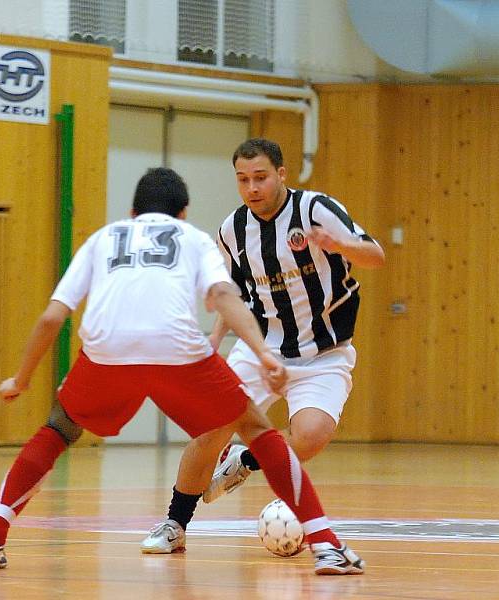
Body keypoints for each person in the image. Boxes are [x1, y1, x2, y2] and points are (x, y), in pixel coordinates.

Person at [0, 167, 365, 576]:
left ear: (132, 211)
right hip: (176, 348)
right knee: (258, 432)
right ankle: (327, 546)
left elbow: (52, 317)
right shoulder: (194, 238)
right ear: (184, 213)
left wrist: (22, 379)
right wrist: (263, 353)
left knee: (56, 431)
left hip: (107, 350)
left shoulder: (104, 238)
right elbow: (225, 295)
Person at [141, 139, 384, 552]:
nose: (252, 188)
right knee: (209, 430)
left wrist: (341, 246)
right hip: (261, 348)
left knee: (312, 435)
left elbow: (375, 254)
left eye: (260, 178)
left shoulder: (315, 209)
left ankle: (246, 460)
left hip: (324, 353)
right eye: (243, 179)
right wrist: (214, 341)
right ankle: (174, 524)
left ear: (282, 174)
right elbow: (231, 292)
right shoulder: (232, 230)